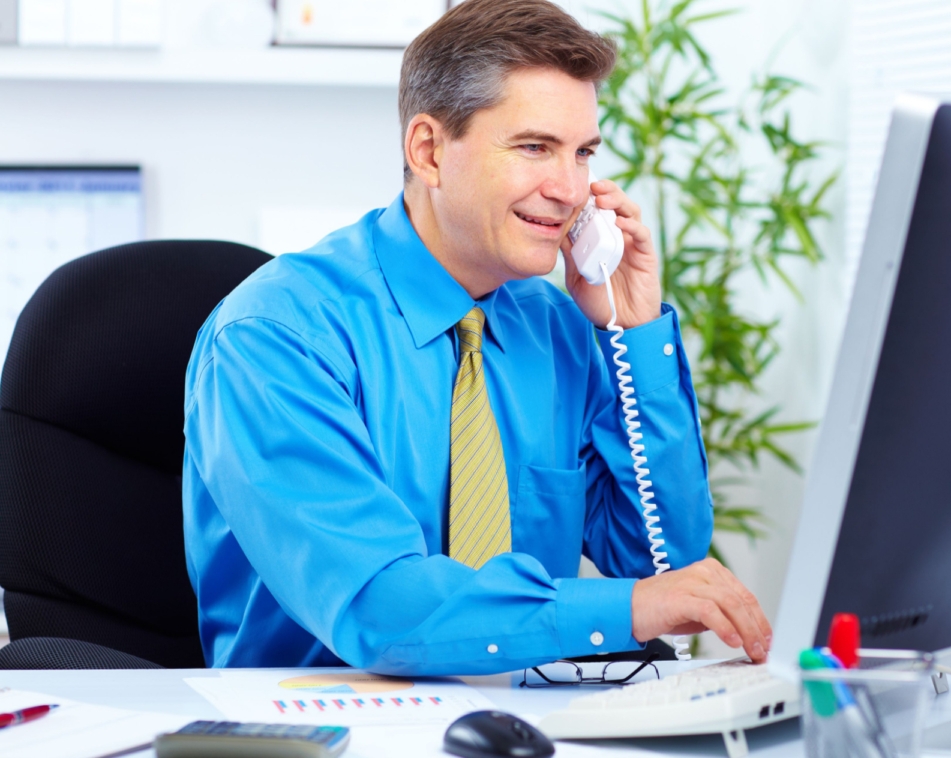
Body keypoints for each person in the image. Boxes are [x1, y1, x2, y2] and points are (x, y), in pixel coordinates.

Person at [182, 0, 771, 675]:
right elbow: (378, 604)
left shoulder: (558, 327)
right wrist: (627, 609)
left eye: (583, 154)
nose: (570, 188)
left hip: (527, 717)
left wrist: (632, 332)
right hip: (327, 722)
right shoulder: (275, 336)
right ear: (429, 151)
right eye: (534, 148)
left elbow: (658, 561)